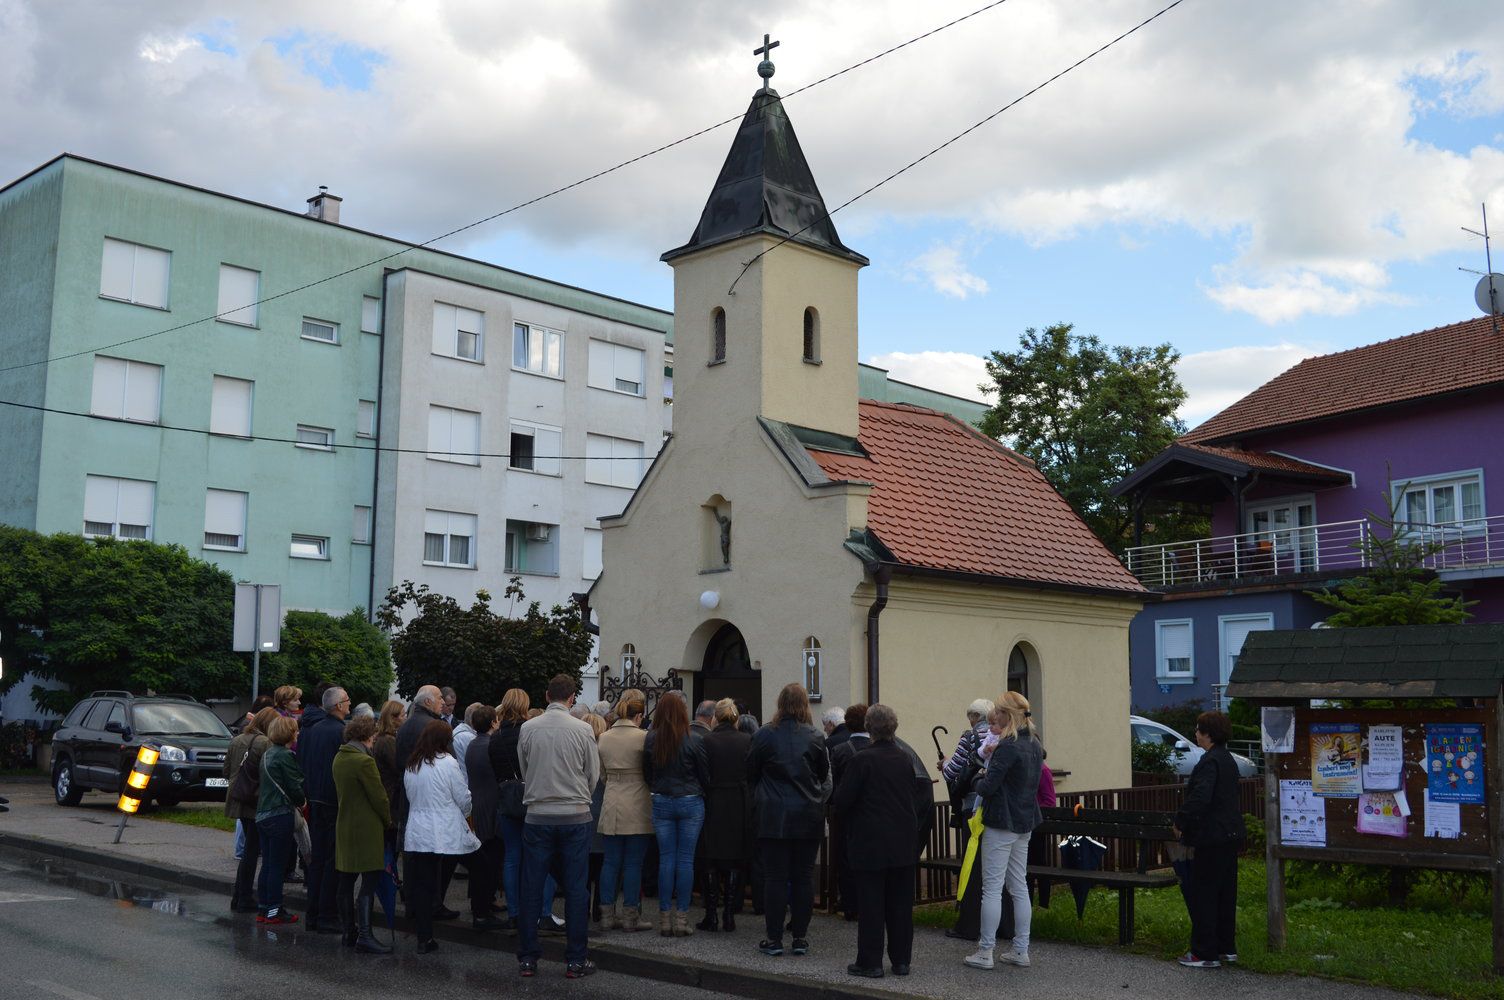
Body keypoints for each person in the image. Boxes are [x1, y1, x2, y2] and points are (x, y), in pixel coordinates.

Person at [515, 674, 601, 979]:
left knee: (532, 886)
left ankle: (528, 957)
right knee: (576, 888)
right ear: (571, 697)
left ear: (547, 694)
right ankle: (576, 959)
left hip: (538, 814)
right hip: (575, 814)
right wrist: (578, 796)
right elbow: (593, 774)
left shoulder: (528, 728)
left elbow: (524, 768)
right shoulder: (583, 729)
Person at [833, 704, 919, 978]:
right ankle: (901, 960)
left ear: (869, 728)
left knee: (871, 904)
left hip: (870, 841)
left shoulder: (862, 760)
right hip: (903, 840)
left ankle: (870, 962)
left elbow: (843, 801)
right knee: (901, 905)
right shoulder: (905, 758)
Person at [747, 682, 830, 957]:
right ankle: (800, 937)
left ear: (780, 703)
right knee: (803, 877)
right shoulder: (816, 736)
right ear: (805, 704)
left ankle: (773, 938)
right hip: (807, 814)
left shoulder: (763, 735)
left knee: (775, 878)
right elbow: (821, 775)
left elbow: (751, 773)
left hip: (773, 815)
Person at [963, 692, 1043, 971]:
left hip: (1001, 821)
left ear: (1007, 716)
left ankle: (985, 951)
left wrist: (978, 776)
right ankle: (1021, 949)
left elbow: (987, 786)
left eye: (998, 714)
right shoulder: (1034, 743)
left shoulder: (1007, 746)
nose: (994, 718)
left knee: (992, 889)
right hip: (1025, 821)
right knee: (1019, 886)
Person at [1174, 711, 1245, 969]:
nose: (1196, 733)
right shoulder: (1228, 760)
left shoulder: (1209, 762)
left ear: (1208, 734)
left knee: (1204, 894)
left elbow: (1201, 797)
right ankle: (1226, 947)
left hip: (1211, 836)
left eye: (1198, 730)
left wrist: (1181, 820)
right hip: (1231, 834)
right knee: (1226, 894)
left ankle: (1204, 952)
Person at [403, 719, 480, 954]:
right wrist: (468, 813)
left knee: (425, 884)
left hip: (418, 830)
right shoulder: (448, 763)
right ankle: (481, 911)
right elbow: (462, 796)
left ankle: (424, 937)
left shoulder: (412, 764)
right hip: (444, 829)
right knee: (478, 862)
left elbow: (409, 796)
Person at [488, 688, 560, 932]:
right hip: (532, 797)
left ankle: (515, 912)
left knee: (512, 857)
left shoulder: (495, 737)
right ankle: (543, 911)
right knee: (542, 855)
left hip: (506, 798)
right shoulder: (530, 731)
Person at [643, 692, 710, 936]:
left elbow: (647, 773)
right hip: (690, 801)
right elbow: (704, 774)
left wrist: (658, 788)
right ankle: (681, 919)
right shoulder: (694, 739)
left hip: (662, 800)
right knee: (685, 860)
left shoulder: (652, 738)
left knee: (666, 859)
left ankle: (664, 918)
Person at [332, 713, 393, 954]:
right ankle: (365, 935)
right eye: (374, 737)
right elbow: (379, 796)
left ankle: (350, 931)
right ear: (368, 736)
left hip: (345, 824)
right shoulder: (364, 761)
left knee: (346, 881)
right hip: (367, 827)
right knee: (368, 882)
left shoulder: (340, 757)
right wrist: (388, 820)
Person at [596, 689, 654, 932]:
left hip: (612, 799)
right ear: (638, 716)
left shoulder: (605, 737)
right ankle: (631, 916)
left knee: (610, 862)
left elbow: (602, 775)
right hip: (638, 799)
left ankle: (607, 914)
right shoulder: (643, 738)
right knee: (633, 864)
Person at [944, 698, 998, 943]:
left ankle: (969, 924)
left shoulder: (970, 737)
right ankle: (1001, 924)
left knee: (973, 866)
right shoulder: (1004, 735)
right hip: (996, 809)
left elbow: (951, 771)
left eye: (971, 717)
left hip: (972, 808)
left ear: (975, 717)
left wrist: (944, 764)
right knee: (995, 868)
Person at [298, 685, 351, 934]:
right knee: (331, 861)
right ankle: (327, 914)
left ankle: (313, 913)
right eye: (347, 701)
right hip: (332, 801)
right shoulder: (341, 732)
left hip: (315, 799)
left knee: (318, 860)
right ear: (338, 706)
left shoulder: (313, 729)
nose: (349, 705)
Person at [699, 697, 752, 933]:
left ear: (715, 717)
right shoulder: (747, 740)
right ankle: (729, 915)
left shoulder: (707, 740)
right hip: (738, 801)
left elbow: (702, 773)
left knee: (710, 858)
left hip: (713, 800)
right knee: (733, 859)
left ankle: (711, 914)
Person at [225, 706, 277, 913]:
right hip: (255, 800)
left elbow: (226, 770)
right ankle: (244, 896)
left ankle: (239, 896)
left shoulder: (237, 740)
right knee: (252, 851)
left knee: (249, 849)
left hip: (238, 797)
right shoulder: (265, 743)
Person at [256, 715, 305, 924]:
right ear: (289, 733)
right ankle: (275, 909)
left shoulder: (267, 754)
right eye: (295, 730)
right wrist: (302, 801)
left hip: (262, 814)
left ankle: (263, 907)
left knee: (267, 864)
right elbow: (294, 786)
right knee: (277, 865)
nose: (297, 734)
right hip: (279, 813)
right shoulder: (286, 755)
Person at [463, 704, 506, 931]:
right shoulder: (490, 745)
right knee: (489, 861)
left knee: (483, 859)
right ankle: (482, 910)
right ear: (492, 722)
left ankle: (482, 904)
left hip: (477, 803)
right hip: (490, 805)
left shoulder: (472, 744)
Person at [828, 703, 870, 922]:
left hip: (847, 814)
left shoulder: (840, 750)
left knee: (846, 858)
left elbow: (834, 784)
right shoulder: (878, 747)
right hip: (873, 813)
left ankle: (850, 904)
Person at [373, 700, 406, 829]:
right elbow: (398, 767)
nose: (405, 718)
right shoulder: (388, 741)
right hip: (391, 796)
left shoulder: (384, 738)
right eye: (403, 715)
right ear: (393, 718)